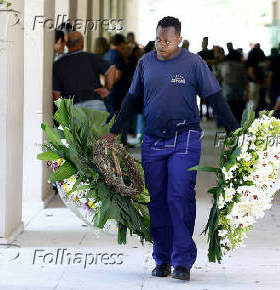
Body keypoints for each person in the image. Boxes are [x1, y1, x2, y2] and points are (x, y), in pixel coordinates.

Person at [100, 16, 239, 280]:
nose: (161, 44)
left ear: (178, 39)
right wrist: (115, 130)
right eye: (158, 39)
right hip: (153, 141)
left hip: (184, 140)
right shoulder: (146, 62)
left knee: (180, 196)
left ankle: (182, 261)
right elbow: (131, 99)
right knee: (157, 200)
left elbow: (214, 98)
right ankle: (161, 258)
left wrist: (234, 129)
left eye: (167, 40)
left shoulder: (193, 63)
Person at [52, 31, 116, 110]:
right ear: (82, 43)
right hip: (95, 105)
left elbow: (56, 95)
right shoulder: (91, 58)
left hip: (74, 108)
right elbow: (111, 69)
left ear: (67, 45)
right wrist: (107, 88)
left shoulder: (58, 64)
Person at [220, 50, 248, 124]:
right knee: (238, 116)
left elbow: (218, 79)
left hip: (227, 94)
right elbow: (245, 82)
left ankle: (229, 132)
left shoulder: (223, 66)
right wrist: (247, 94)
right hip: (239, 95)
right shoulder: (241, 66)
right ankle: (237, 132)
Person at [197, 37, 215, 119]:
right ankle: (201, 112)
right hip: (201, 76)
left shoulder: (210, 52)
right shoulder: (199, 53)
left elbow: (212, 62)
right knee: (201, 95)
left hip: (209, 76)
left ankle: (208, 112)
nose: (204, 44)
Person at [247, 43, 266, 112]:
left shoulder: (252, 53)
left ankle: (249, 119)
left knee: (253, 101)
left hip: (253, 82)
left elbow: (250, 70)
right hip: (256, 82)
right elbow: (262, 67)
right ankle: (249, 119)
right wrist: (259, 81)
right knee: (254, 101)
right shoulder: (260, 53)